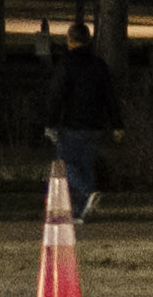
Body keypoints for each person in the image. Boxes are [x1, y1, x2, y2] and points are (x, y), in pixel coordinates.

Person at [44, 16, 122, 220]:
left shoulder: (66, 64)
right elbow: (110, 96)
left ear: (70, 39)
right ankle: (81, 212)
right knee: (85, 166)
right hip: (95, 125)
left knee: (66, 164)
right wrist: (116, 124)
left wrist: (50, 122)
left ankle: (87, 193)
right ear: (88, 40)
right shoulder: (99, 65)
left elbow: (56, 95)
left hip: (71, 124)